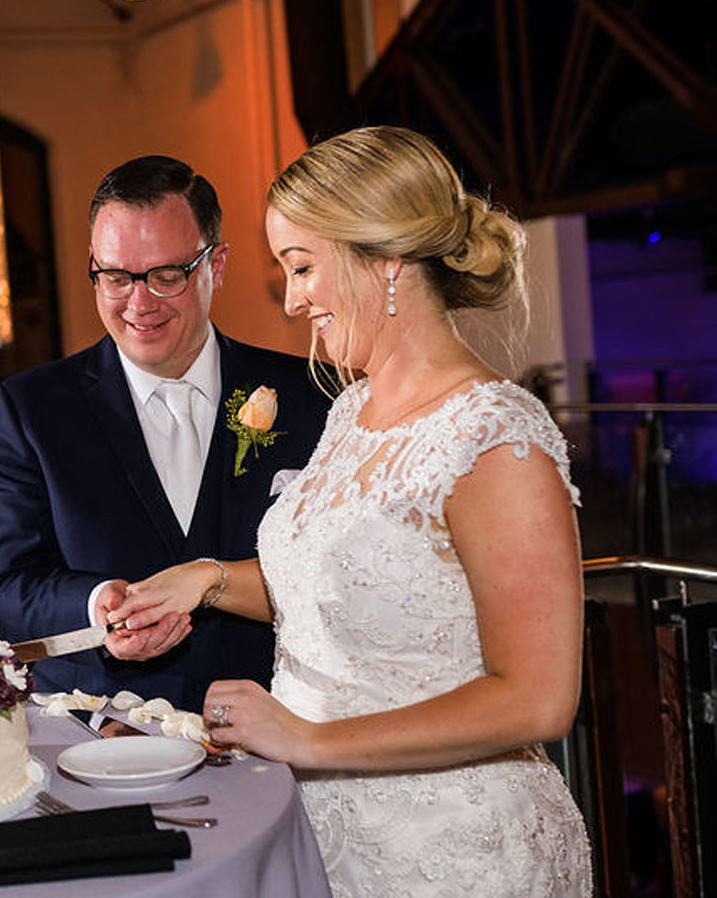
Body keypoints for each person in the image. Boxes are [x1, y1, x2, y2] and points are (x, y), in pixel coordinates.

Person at [109, 126, 593, 895]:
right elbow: (341, 595)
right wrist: (202, 579)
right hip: (320, 835)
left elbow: (535, 699)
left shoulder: (494, 436)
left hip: (452, 854)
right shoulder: (353, 409)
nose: (293, 299)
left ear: (386, 262)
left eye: (301, 267)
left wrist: (307, 738)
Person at [0, 155, 331, 708]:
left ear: (216, 266)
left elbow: (339, 573)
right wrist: (96, 605)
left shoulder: (316, 394)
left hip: (286, 722)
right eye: (116, 277)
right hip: (112, 742)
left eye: (167, 276)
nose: (139, 303)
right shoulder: (31, 410)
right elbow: (5, 590)